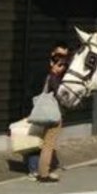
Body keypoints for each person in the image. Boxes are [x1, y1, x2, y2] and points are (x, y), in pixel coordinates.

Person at [26, 43, 69, 183]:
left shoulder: (49, 74)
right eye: (60, 64)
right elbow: (58, 93)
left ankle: (39, 170)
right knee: (48, 143)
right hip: (51, 113)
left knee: (44, 142)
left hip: (42, 112)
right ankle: (43, 173)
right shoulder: (53, 76)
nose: (62, 67)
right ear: (53, 63)